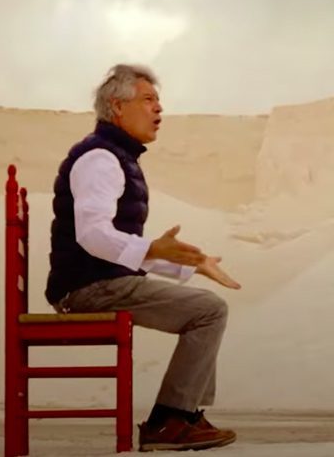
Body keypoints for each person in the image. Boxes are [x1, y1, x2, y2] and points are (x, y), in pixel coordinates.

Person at [44, 64, 242, 452]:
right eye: (148, 99)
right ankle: (172, 421)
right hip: (88, 289)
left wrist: (189, 264)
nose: (159, 108)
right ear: (118, 107)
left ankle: (181, 417)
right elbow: (93, 236)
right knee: (209, 311)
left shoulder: (115, 157)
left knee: (207, 310)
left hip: (97, 282)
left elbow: (120, 248)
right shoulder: (100, 160)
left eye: (158, 100)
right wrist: (151, 249)